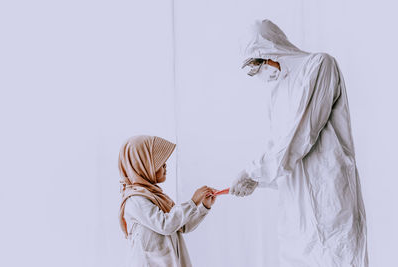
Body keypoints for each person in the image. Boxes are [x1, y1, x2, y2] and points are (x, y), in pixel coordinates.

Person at [230, 20, 368, 267]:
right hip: (295, 214)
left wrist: (253, 172)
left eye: (256, 65)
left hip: (331, 205)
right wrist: (257, 180)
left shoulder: (320, 66)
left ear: (268, 50)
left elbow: (300, 136)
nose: (258, 73)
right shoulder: (276, 93)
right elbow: (279, 153)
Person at [118, 135, 216, 267]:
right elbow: (165, 225)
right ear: (143, 166)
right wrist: (192, 202)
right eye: (159, 162)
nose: (165, 165)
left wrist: (203, 206)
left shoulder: (155, 196)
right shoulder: (135, 200)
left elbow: (181, 226)